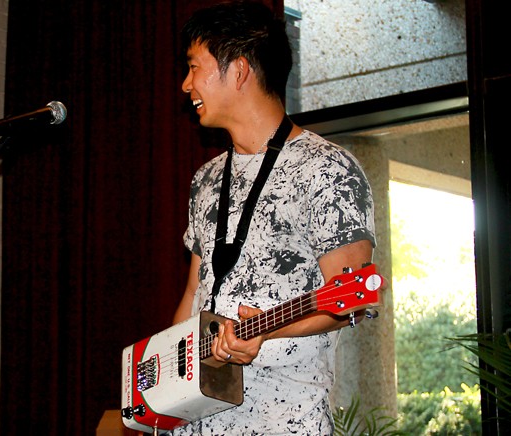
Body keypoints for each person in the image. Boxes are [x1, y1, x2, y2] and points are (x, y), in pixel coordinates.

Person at [171, 1, 376, 434]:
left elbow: (351, 298)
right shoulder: (205, 178)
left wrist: (268, 332)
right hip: (196, 422)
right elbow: (194, 290)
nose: (186, 84)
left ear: (240, 69)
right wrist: (167, 389)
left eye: (194, 67)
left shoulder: (326, 170)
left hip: (283, 422)